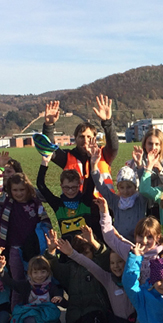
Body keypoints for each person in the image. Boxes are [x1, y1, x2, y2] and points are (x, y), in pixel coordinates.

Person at [54, 237, 137, 323]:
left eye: (120, 262)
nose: (116, 266)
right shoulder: (107, 279)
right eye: (113, 263)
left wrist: (93, 240)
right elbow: (88, 264)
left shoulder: (135, 278)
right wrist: (70, 253)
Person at [41, 96, 119, 232]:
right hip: (79, 212)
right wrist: (49, 126)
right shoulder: (67, 157)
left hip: (104, 209)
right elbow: (48, 148)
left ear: (95, 138)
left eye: (89, 137)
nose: (85, 140)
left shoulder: (104, 154)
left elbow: (114, 145)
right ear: (75, 138)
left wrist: (107, 123)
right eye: (81, 137)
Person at [43, 228, 111, 323]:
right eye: (77, 253)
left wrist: (93, 242)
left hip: (95, 311)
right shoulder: (70, 269)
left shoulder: (97, 265)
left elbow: (105, 256)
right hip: (75, 314)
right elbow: (54, 266)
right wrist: (51, 250)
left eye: (86, 253)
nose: (81, 257)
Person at [0, 173, 52, 308]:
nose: (19, 193)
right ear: (10, 190)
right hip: (15, 248)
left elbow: (45, 220)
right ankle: (16, 313)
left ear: (27, 188)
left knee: (35, 281)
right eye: (15, 190)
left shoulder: (35, 203)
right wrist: (0, 169)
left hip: (33, 249)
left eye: (22, 189)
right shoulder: (8, 202)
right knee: (17, 283)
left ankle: (38, 310)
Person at [0, 255, 64, 323]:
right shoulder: (26, 286)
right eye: (35, 272)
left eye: (43, 272)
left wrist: (60, 298)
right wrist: (0, 270)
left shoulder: (52, 287)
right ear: (30, 273)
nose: (39, 276)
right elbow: (11, 283)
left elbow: (65, 304)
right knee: (29, 318)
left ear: (48, 272)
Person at [90, 146, 148, 242]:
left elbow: (144, 183)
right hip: (120, 243)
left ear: (135, 187)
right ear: (118, 188)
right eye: (122, 187)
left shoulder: (140, 200)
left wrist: (139, 165)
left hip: (139, 243)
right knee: (113, 257)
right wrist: (94, 166)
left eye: (129, 187)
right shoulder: (116, 201)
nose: (125, 191)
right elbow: (101, 187)